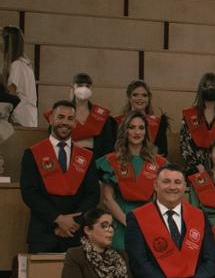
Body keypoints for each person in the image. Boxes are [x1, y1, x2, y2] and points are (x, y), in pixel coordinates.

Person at [126, 164, 215, 278]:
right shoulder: (137, 217)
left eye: (177, 182)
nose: (172, 187)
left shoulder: (199, 216)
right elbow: (139, 263)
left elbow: (211, 261)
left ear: (185, 187)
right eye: (166, 181)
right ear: (155, 185)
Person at [21, 101, 99, 253]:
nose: (65, 122)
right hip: (43, 233)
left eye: (70, 119)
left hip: (75, 233)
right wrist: (58, 219)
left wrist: (73, 223)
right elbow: (29, 193)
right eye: (61, 117)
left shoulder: (86, 156)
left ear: (75, 123)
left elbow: (93, 194)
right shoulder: (32, 153)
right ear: (51, 118)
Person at [97, 112, 165, 250]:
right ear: (125, 130)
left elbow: (161, 200)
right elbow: (107, 199)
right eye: (132, 127)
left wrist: (147, 223)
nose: (137, 132)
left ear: (146, 132)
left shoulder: (158, 163)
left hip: (148, 220)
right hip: (119, 220)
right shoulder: (112, 161)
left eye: (141, 128)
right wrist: (129, 222)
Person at [180, 73, 215, 175]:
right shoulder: (189, 115)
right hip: (194, 170)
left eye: (214, 85)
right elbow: (184, 145)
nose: (211, 88)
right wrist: (197, 167)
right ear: (201, 89)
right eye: (207, 85)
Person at [49, 73, 115, 157]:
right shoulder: (61, 111)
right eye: (80, 85)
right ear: (73, 87)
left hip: (95, 159)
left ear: (92, 88)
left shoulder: (100, 115)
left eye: (87, 86)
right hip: (67, 156)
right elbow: (53, 137)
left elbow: (107, 143)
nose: (84, 89)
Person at [116, 80, 169, 155]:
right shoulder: (116, 122)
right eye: (135, 95)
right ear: (129, 97)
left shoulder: (158, 123)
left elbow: (163, 152)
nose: (140, 98)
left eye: (144, 95)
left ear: (148, 98)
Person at [3, 25, 37, 128]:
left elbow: (11, 93)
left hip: (20, 116)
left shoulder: (16, 65)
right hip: (29, 115)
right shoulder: (25, 64)